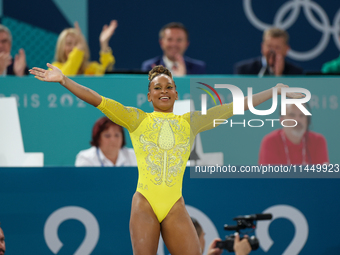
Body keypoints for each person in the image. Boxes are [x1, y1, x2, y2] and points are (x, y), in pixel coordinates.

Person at [29, 63, 303, 255]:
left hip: (175, 204)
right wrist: (64, 80)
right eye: (157, 87)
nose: (163, 90)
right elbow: (97, 99)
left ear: (176, 93)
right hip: (145, 203)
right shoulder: (137, 119)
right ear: (149, 96)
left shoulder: (191, 121)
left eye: (169, 86)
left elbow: (233, 108)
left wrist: (273, 91)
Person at [259, 103, 329, 164]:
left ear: (307, 120)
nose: (297, 120)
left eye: (301, 115)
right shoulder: (270, 142)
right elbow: (267, 177)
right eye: (292, 115)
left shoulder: (318, 141)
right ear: (282, 120)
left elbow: (323, 177)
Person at [52, 20, 117, 76]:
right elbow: (64, 79)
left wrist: (104, 44)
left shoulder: (91, 68)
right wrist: (78, 51)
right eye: (69, 43)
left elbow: (107, 75)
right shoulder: (54, 68)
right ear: (61, 47)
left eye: (77, 43)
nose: (74, 48)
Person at [141, 22, 206, 76]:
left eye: (179, 40)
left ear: (186, 44)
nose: (174, 44)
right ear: (161, 42)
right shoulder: (150, 67)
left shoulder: (198, 68)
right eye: (170, 39)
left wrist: (182, 78)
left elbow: (197, 91)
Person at [234, 27, 303, 76]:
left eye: (277, 47)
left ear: (286, 50)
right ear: (262, 47)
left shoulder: (296, 73)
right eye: (269, 46)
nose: (272, 51)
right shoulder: (244, 70)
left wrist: (278, 76)